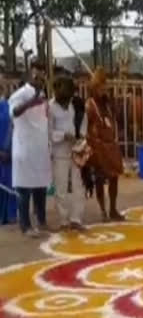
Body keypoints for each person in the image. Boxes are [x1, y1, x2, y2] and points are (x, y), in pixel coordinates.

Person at [9, 61, 50, 236]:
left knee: (41, 188)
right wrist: (31, 102)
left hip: (39, 150)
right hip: (24, 149)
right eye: (37, 74)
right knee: (24, 189)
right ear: (30, 74)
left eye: (42, 75)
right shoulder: (21, 94)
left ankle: (42, 221)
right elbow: (14, 112)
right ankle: (25, 226)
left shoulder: (43, 95)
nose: (40, 78)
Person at [48, 76, 87, 231]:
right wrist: (64, 135)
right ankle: (64, 221)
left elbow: (84, 121)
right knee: (61, 186)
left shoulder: (76, 104)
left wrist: (82, 136)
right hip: (59, 151)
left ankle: (76, 219)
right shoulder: (50, 107)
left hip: (77, 150)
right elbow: (49, 132)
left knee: (79, 185)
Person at [86, 67, 124, 222]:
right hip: (98, 147)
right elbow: (86, 127)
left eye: (105, 87)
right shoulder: (90, 105)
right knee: (100, 179)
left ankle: (113, 209)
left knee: (114, 178)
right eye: (101, 88)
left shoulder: (107, 103)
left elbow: (117, 118)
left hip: (111, 145)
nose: (104, 90)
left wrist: (112, 103)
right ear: (94, 88)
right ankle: (103, 211)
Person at [0, 92, 16, 225]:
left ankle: (10, 214)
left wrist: (6, 148)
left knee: (9, 182)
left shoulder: (9, 106)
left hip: (7, 152)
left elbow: (12, 127)